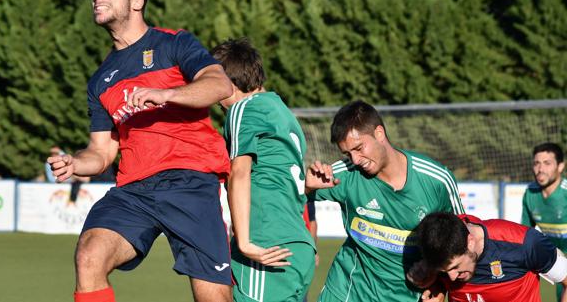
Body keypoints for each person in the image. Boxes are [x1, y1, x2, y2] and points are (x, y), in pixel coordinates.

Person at [47, 0, 233, 302]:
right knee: (89, 256)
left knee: (212, 296)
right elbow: (101, 153)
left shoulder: (173, 44)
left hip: (190, 181)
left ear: (137, 1)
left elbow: (219, 84)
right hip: (134, 190)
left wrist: (168, 94)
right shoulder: (100, 79)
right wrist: (75, 163)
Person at [305, 100, 465, 302]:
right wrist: (306, 185)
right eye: (347, 153)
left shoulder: (436, 180)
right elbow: (286, 193)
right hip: (347, 292)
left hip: (406, 295)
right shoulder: (344, 175)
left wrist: (440, 284)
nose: (355, 160)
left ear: (379, 133)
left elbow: (460, 240)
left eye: (359, 148)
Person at [211, 38, 316, 302]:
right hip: (296, 243)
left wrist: (244, 242)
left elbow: (240, 173)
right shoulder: (282, 112)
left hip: (265, 242)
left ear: (227, 82)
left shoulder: (242, 110)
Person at [413, 212, 567, 302]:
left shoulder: (524, 243)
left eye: (455, 267)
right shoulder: (438, 242)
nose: (452, 278)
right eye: (444, 271)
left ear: (470, 242)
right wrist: (437, 289)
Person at [522, 142, 567, 302]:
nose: (540, 169)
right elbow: (524, 234)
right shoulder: (530, 193)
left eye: (547, 163)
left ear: (560, 166)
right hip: (557, 262)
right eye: (537, 163)